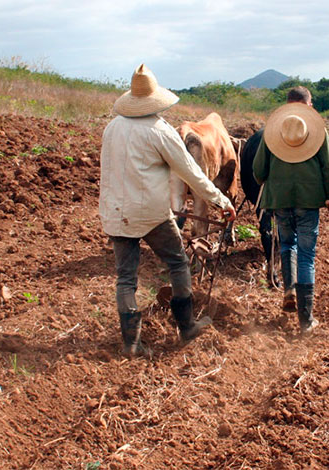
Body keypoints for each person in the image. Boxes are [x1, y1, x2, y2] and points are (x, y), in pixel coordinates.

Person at [99, 64, 236, 357]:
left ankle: (131, 343)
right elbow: (192, 174)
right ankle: (186, 325)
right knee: (177, 263)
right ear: (155, 100)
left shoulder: (112, 128)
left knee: (125, 278)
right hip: (150, 215)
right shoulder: (159, 130)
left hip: (115, 212)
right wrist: (221, 201)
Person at [252, 86, 329, 333]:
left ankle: (289, 289)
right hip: (309, 201)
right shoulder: (318, 132)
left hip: (280, 201)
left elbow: (258, 172)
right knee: (306, 255)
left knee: (286, 245)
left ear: (288, 105)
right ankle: (306, 319)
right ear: (308, 105)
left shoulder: (273, 133)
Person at [239, 87, 315, 287]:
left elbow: (257, 171)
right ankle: (297, 287)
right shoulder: (313, 136)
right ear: (309, 106)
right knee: (299, 244)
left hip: (267, 194)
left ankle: (275, 274)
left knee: (273, 228)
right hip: (300, 200)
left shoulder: (265, 135)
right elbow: (327, 170)